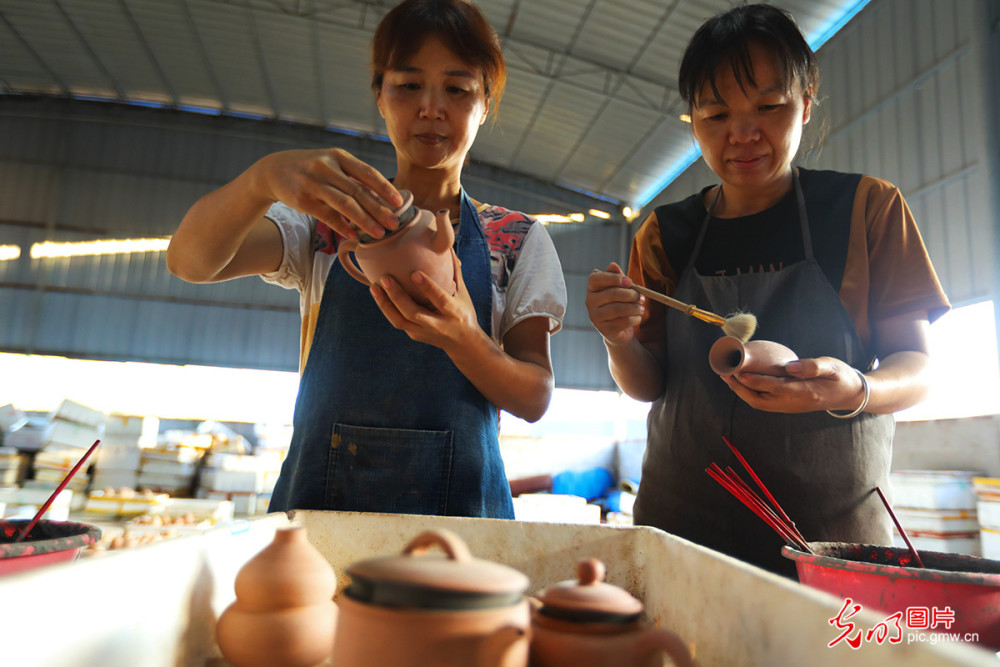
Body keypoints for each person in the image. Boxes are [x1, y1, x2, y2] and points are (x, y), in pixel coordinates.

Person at [586, 4, 950, 576]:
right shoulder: (665, 232)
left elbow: (919, 367)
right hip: (685, 527)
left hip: (829, 540)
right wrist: (617, 341)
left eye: (769, 107)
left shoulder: (865, 209)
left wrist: (853, 387)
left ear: (806, 102)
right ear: (692, 120)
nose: (742, 134)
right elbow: (649, 384)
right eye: (715, 114)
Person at [167, 0, 566, 519]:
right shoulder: (322, 225)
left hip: (462, 525)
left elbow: (535, 397)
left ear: (485, 103)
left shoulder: (513, 239)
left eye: (457, 88)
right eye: (407, 84)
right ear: (380, 95)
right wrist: (259, 180)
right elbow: (190, 262)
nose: (431, 107)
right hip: (320, 517)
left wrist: (463, 338)